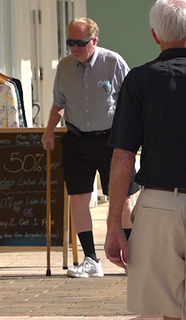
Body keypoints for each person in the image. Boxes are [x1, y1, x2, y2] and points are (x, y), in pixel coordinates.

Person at [41, 17, 139, 278]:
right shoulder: (63, 67)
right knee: (78, 199)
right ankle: (90, 259)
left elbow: (131, 103)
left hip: (112, 141)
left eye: (80, 43)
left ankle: (133, 257)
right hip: (77, 140)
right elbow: (58, 104)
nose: (74, 47)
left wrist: (134, 137)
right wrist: (49, 130)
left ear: (94, 41)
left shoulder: (113, 62)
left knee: (123, 200)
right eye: (70, 42)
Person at [106, 1, 186, 318]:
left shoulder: (140, 80)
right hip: (160, 200)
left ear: (154, 35)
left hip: (159, 204)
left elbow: (124, 157)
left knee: (164, 310)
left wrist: (114, 224)